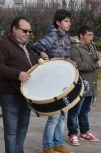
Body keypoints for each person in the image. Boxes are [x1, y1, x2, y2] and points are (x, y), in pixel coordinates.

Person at [0, 16, 39, 153]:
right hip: (10, 95)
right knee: (11, 132)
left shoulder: (29, 48)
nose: (27, 34)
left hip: (26, 95)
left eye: (30, 32)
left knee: (22, 130)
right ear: (14, 29)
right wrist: (17, 74)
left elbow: (34, 66)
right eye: (24, 31)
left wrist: (42, 60)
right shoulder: (3, 45)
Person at [32, 9, 72, 153]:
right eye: (66, 21)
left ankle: (58, 143)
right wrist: (42, 54)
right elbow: (36, 47)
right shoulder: (52, 35)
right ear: (58, 22)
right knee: (54, 117)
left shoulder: (67, 38)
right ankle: (47, 146)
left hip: (64, 81)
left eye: (69, 21)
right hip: (53, 81)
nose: (69, 24)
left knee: (63, 115)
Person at [67, 25, 101, 146]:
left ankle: (84, 132)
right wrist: (96, 64)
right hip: (80, 85)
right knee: (75, 111)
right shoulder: (74, 49)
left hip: (92, 85)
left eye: (92, 35)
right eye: (89, 35)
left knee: (85, 111)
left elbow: (94, 62)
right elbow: (80, 65)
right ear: (81, 36)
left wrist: (99, 58)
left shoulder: (92, 47)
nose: (91, 37)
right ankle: (72, 133)